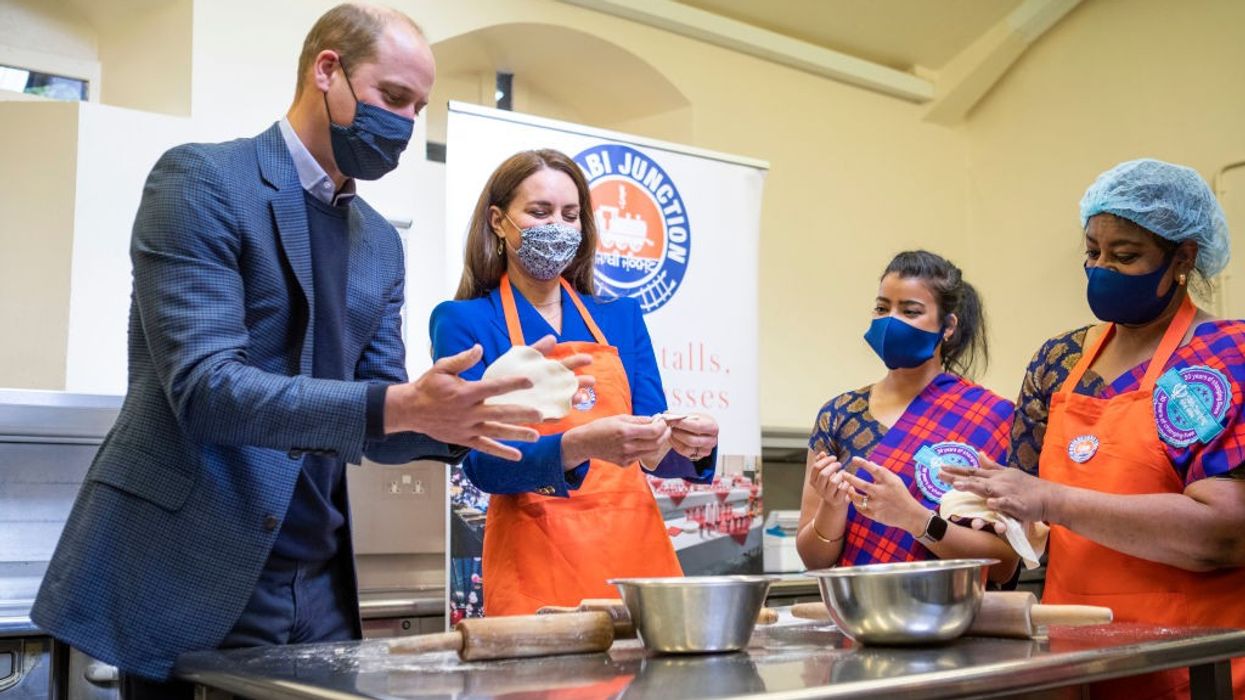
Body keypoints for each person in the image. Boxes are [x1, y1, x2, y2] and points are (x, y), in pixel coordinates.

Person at [31, 5, 585, 698]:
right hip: (195, 569)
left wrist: (454, 417)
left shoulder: (378, 242)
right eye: (393, 97)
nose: (405, 125)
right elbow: (206, 389)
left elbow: (378, 417)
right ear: (328, 70)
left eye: (418, 108)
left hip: (317, 579)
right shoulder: (203, 182)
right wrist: (398, 405)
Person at [945, 159, 1245, 699]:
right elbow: (1028, 511)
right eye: (1092, 252)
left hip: (1196, 666)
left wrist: (1051, 500)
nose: (1102, 268)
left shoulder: (1224, 356)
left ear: (1183, 257)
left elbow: (1222, 534)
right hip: (1079, 663)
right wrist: (981, 510)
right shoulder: (1058, 361)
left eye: (1124, 256)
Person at [430, 148, 721, 616]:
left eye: (570, 215)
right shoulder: (465, 322)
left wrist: (690, 444)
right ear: (499, 221)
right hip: (535, 567)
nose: (558, 227)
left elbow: (651, 441)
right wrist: (576, 446)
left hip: (634, 559)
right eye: (540, 212)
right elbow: (483, 466)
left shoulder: (621, 317)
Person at [797, 250, 1019, 578]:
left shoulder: (991, 416)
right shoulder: (839, 415)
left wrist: (915, 520)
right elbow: (813, 560)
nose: (891, 321)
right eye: (882, 308)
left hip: (950, 607)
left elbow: (1004, 565)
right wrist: (832, 506)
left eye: (910, 311)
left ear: (948, 326)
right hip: (858, 606)